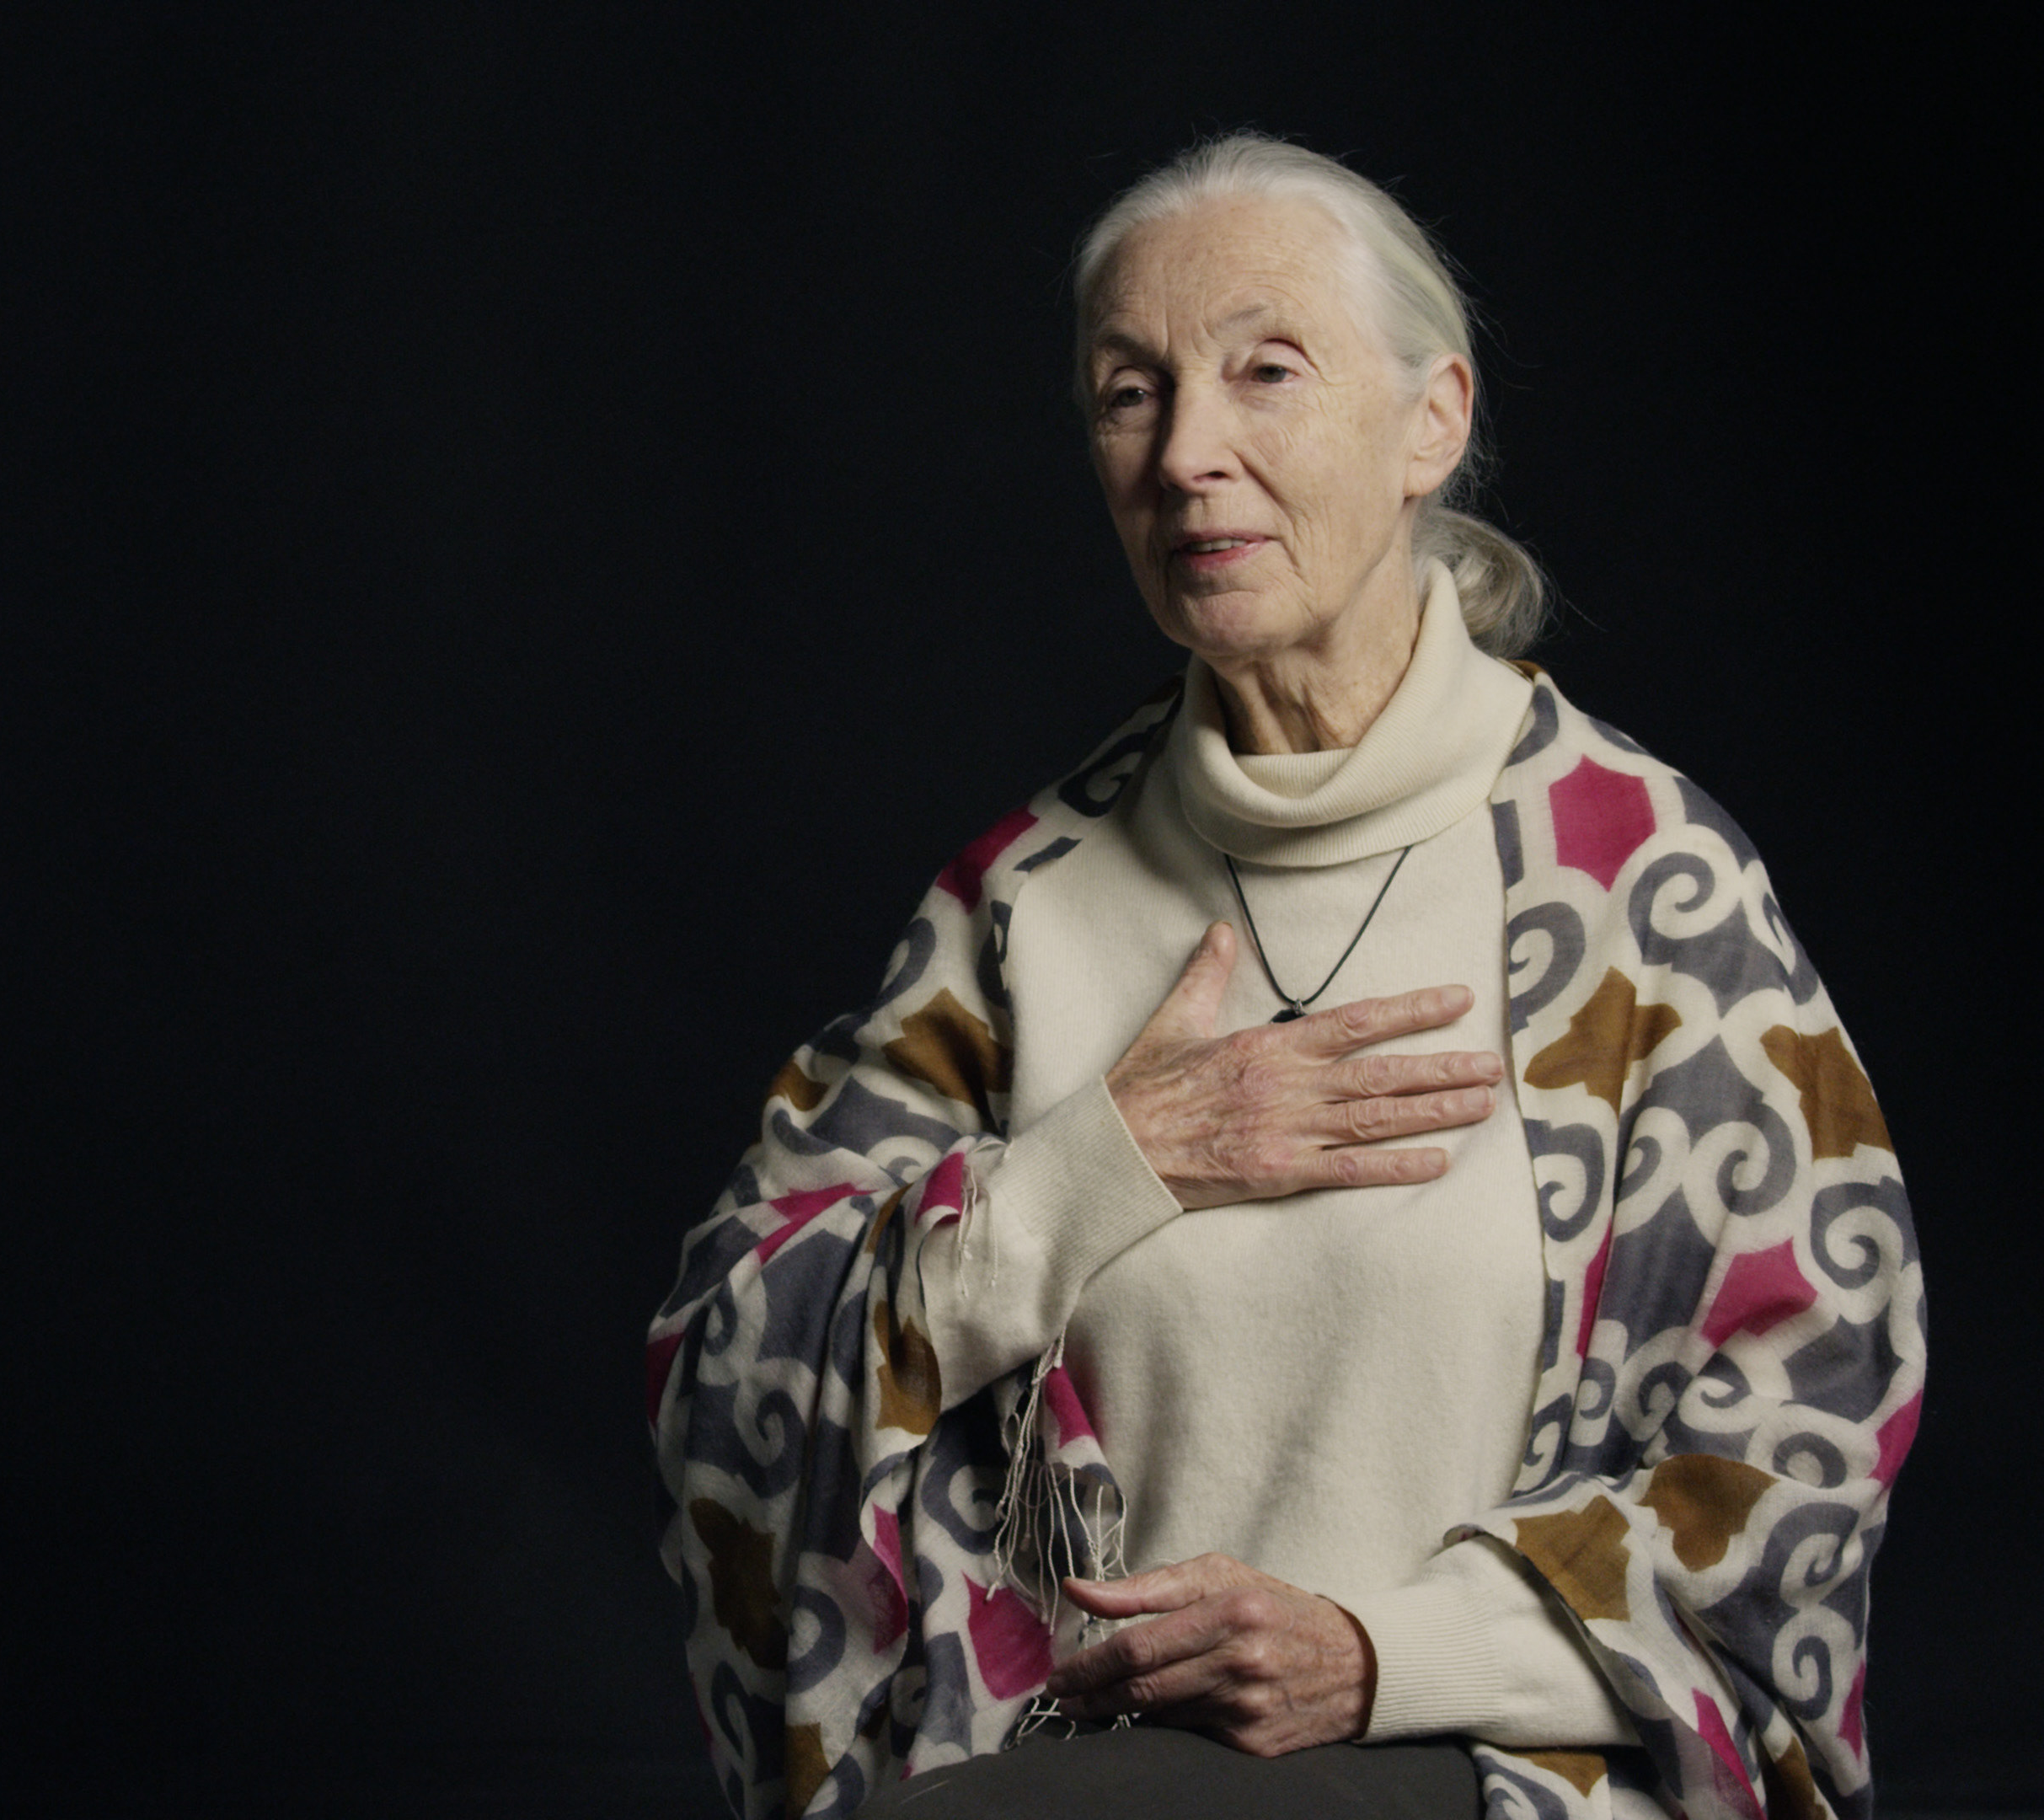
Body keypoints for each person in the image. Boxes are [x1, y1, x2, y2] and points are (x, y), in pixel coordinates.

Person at [648, 133, 1919, 1820]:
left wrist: (1376, 1655)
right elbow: (727, 1369)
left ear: (1429, 423)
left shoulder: (1641, 883)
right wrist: (1098, 1171)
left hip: (1506, 1770)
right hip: (1079, 1769)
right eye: (1130, 392)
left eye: (1265, 370)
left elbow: (1801, 1444)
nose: (1187, 453)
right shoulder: (1026, 904)